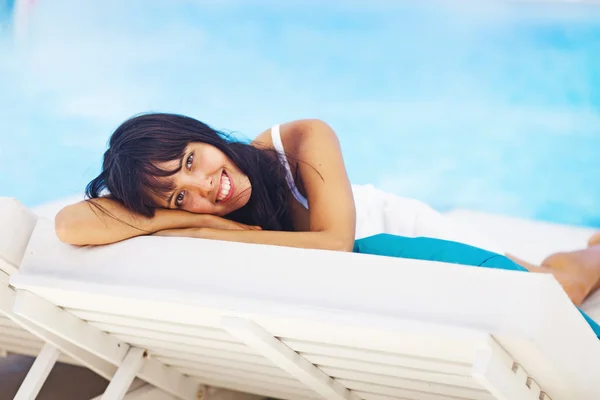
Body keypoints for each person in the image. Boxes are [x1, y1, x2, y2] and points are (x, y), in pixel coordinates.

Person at [55, 113, 600, 307]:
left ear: (204, 136)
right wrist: (187, 218)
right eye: (178, 195)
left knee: (548, 289)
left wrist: (202, 227)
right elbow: (70, 223)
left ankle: (587, 255)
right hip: (369, 280)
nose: (206, 189)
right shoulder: (202, 211)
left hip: (389, 228)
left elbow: (337, 246)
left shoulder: (300, 139)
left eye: (193, 160)